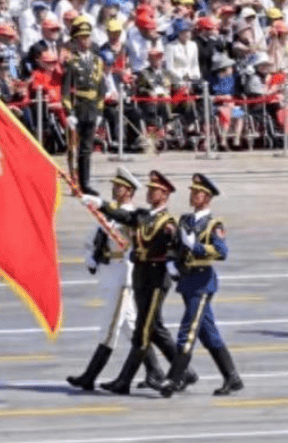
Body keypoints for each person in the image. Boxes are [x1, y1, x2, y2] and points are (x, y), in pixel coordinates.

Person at [87, 170, 199, 395]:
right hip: (140, 276)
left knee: (143, 331)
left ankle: (124, 381)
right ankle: (185, 372)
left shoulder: (168, 222)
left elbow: (178, 248)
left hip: (157, 278)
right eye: (149, 189)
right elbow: (122, 215)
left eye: (154, 190)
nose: (149, 192)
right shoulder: (143, 215)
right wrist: (100, 203)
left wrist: (175, 261)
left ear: (164, 195)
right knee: (154, 328)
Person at [158, 174, 243, 397]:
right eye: (192, 192)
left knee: (187, 331)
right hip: (186, 281)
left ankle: (173, 378)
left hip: (203, 282)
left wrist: (196, 246)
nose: (193, 196)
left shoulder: (214, 224)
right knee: (207, 333)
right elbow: (175, 245)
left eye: (198, 193)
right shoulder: (185, 220)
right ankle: (232, 377)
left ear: (207, 198)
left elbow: (222, 252)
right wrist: (170, 262)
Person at [66, 168, 142, 391]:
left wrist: (99, 206)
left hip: (123, 276)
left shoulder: (131, 216)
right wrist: (90, 256)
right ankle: (158, 371)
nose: (115, 189)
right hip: (109, 273)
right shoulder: (109, 213)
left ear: (129, 191)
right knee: (132, 329)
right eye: (114, 185)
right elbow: (93, 237)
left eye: (119, 187)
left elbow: (127, 240)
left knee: (110, 328)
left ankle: (90, 376)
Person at [61, 21, 105, 194]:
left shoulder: (97, 61)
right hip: (78, 106)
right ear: (75, 40)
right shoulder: (72, 62)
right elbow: (65, 90)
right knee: (73, 148)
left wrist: (99, 111)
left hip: (91, 107)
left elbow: (101, 88)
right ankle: (75, 183)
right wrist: (69, 112)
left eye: (87, 37)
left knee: (86, 148)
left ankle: (85, 184)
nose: (85, 40)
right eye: (81, 37)